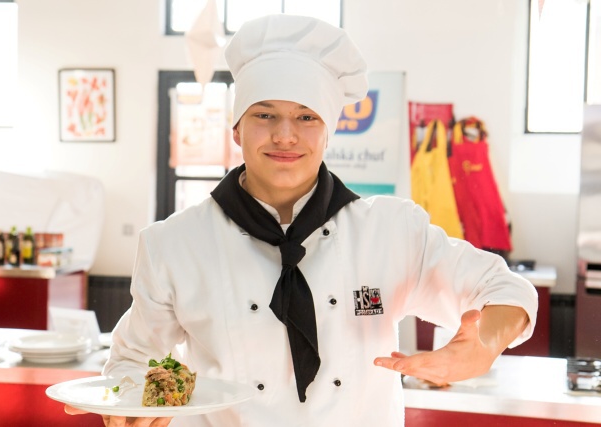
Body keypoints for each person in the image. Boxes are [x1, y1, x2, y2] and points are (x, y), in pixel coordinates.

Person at [67, 13, 537, 427]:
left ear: (329, 131)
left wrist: (484, 345)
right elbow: (132, 358)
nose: (285, 135)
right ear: (237, 129)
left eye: (306, 117)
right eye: (265, 114)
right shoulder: (173, 244)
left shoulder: (391, 230)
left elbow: (506, 288)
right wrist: (129, 405)